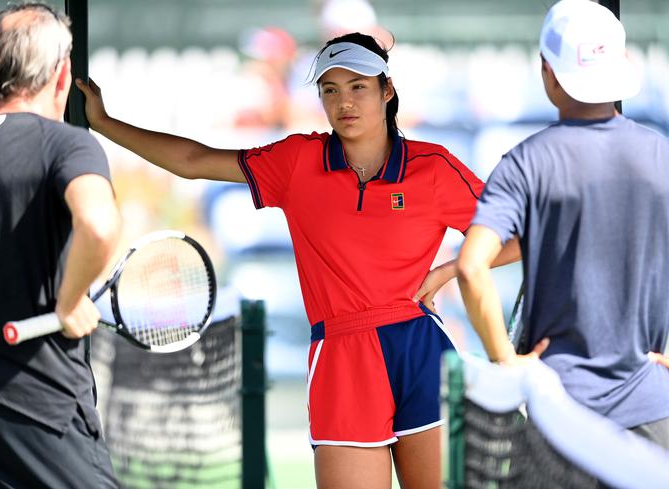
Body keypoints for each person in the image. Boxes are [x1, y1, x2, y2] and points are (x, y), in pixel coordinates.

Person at [77, 32, 518, 488]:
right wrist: (105, 123)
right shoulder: (297, 162)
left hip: (421, 351)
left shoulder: (434, 166)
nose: (344, 101)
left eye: (358, 87)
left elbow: (520, 236)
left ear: (386, 90)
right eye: (330, 89)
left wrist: (452, 269)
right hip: (340, 360)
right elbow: (194, 160)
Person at [457, 0, 669, 450]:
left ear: (547, 70)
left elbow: (471, 268)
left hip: (560, 412)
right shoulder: (661, 156)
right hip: (655, 412)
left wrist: (504, 358)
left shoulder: (525, 162)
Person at [0, 3, 121, 487]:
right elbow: (99, 225)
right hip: (41, 415)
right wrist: (69, 300)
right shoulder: (68, 144)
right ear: (63, 75)